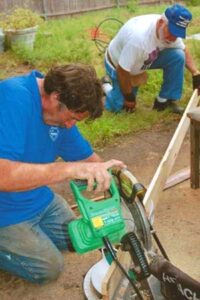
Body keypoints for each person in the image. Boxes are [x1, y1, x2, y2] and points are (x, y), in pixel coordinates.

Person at [0, 64, 126, 284]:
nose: (70, 125)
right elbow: (3, 176)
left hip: (37, 198)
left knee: (80, 239)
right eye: (71, 118)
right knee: (48, 268)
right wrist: (68, 169)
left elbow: (87, 159)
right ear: (55, 97)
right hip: (4, 210)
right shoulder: (12, 97)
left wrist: (117, 176)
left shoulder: (61, 115)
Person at [102, 4, 200, 114]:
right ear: (160, 23)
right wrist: (128, 96)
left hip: (144, 57)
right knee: (120, 108)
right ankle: (105, 86)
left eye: (177, 35)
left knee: (178, 55)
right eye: (171, 33)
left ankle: (164, 101)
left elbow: (183, 49)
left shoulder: (169, 32)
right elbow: (122, 70)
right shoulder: (139, 39)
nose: (173, 39)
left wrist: (196, 73)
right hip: (118, 64)